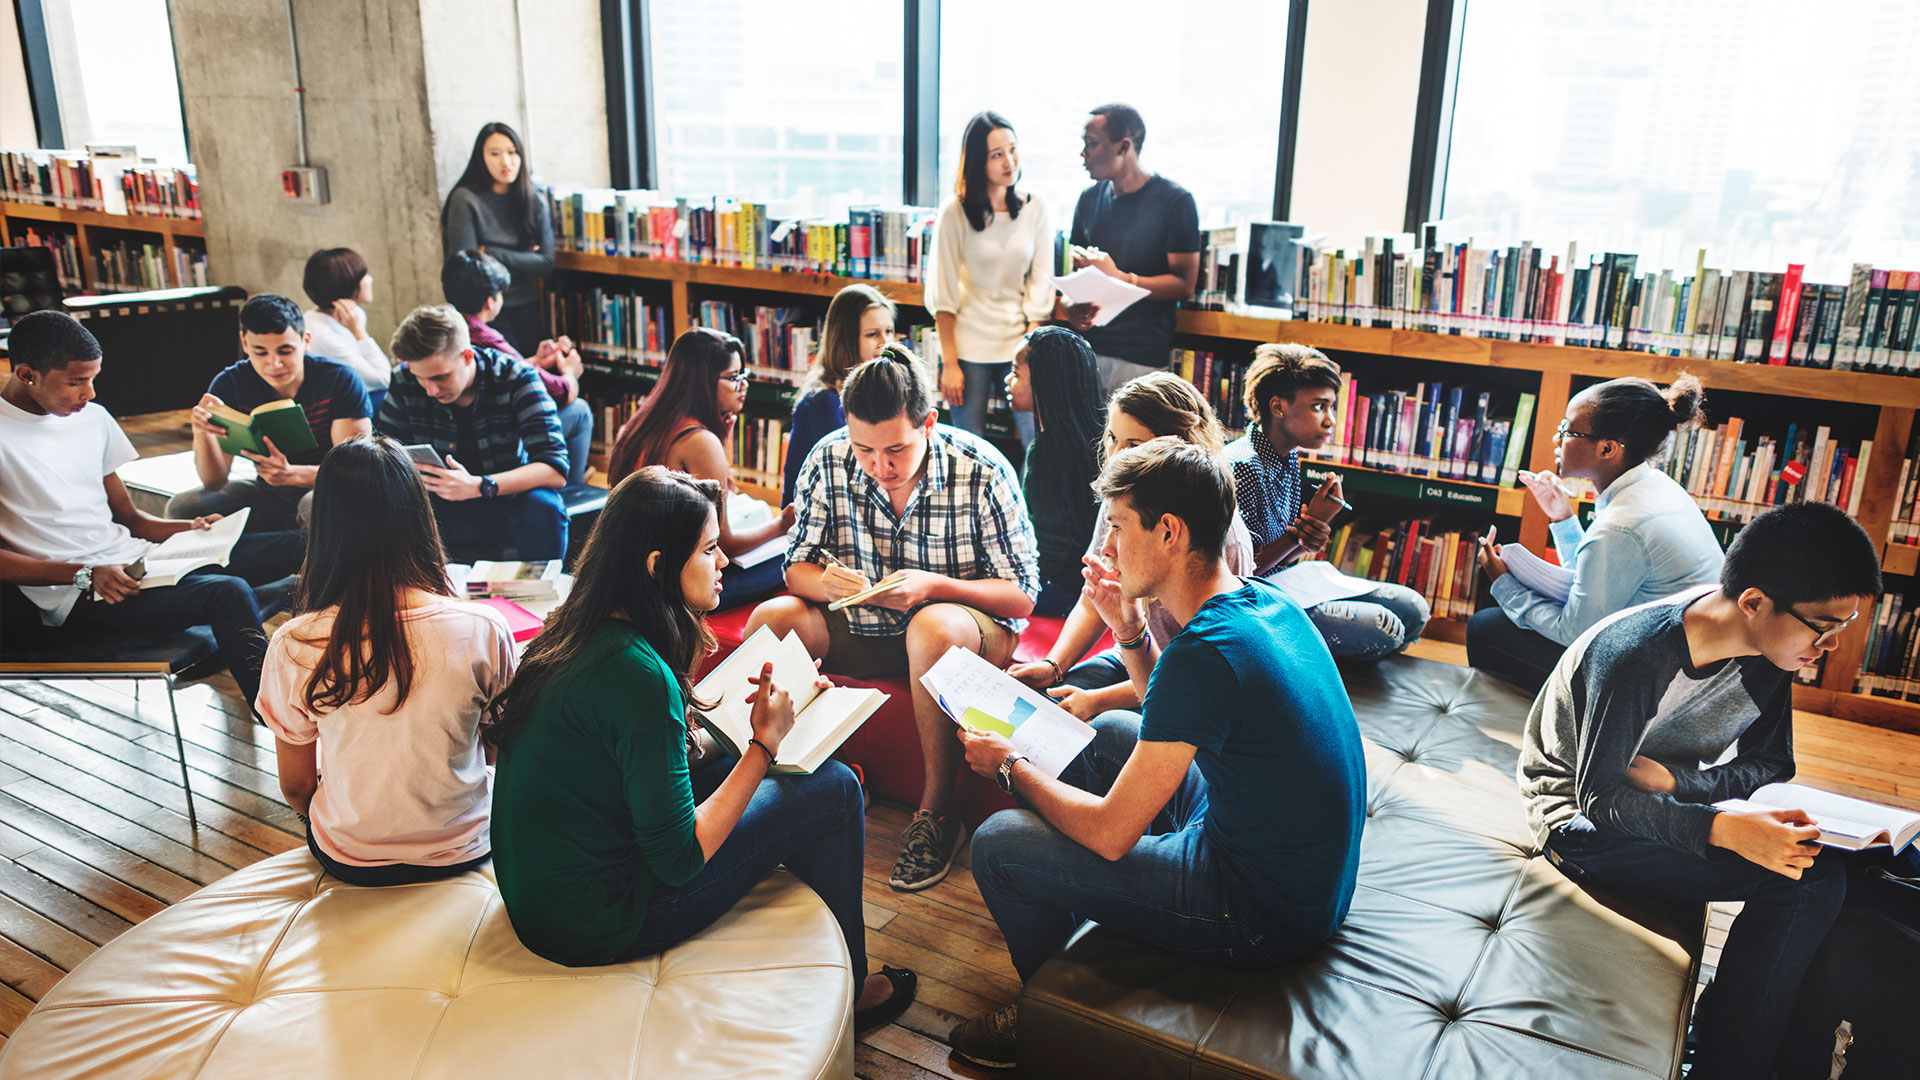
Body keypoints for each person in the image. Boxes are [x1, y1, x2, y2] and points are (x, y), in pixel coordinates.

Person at [946, 438, 1365, 1068]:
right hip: (1300, 878)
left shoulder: (1206, 652)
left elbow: (1114, 834)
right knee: (1113, 729)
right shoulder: (1259, 602)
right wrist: (1129, 630)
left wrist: (1009, 765)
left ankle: (1056, 1011)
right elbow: (1168, 701)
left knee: (1000, 842)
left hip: (1258, 911)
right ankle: (1094, 951)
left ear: (1169, 531)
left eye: (1116, 527)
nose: (1105, 547)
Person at [487, 465, 917, 1029]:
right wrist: (763, 745)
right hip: (602, 919)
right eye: (710, 549)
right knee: (835, 788)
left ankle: (812, 965)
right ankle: (851, 994)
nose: (725, 563)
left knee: (771, 769)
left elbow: (646, 762)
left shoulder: (569, 631)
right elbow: (678, 857)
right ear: (658, 566)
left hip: (540, 898)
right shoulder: (638, 673)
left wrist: (762, 726)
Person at [1518, 502, 1882, 1079]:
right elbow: (1601, 798)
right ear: (1756, 602)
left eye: (1844, 628)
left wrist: (1681, 782)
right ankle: (1727, 1063)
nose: (1831, 646)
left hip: (1664, 801)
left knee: (1855, 867)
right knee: (1804, 883)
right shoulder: (1637, 653)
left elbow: (1771, 762)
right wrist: (1722, 828)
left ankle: (1774, 1049)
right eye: (1824, 627)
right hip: (1577, 824)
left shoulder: (1767, 651)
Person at [746, 346, 1039, 891]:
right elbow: (797, 569)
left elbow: (1022, 595)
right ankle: (792, 779)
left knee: (930, 626)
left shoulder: (981, 467)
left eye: (896, 449)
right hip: (862, 626)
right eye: (864, 449)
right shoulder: (828, 456)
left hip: (961, 632)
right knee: (771, 618)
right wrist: (827, 582)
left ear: (929, 421)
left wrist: (931, 587)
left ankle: (936, 814)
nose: (880, 466)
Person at [0, 311, 304, 707]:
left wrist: (190, 529)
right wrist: (83, 574)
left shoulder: (92, 419)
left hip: (141, 562)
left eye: (93, 379)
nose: (89, 393)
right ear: (27, 374)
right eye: (76, 382)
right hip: (81, 594)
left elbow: (131, 519)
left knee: (303, 543)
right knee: (228, 593)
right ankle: (283, 721)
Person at [258, 435, 511, 886]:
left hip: (350, 855)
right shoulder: (484, 627)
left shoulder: (295, 642)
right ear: (420, 516)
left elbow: (296, 786)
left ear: (325, 525)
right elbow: (495, 748)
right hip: (465, 845)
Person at [1008, 372, 1254, 717]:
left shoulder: (1225, 540)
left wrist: (1097, 700)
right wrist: (1054, 666)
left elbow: (1198, 676)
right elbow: (1095, 598)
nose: (1117, 456)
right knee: (1046, 707)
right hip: (1133, 647)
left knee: (1099, 724)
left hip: (1187, 681)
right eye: (1111, 439)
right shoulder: (1124, 500)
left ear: (1175, 448)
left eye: (1134, 445)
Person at [1471, 374, 1723, 693]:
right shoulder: (1656, 486)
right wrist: (1562, 517)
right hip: (1684, 663)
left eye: (1567, 429)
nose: (1556, 438)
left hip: (1652, 685)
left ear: (1607, 449)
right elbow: (1593, 581)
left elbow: (1574, 632)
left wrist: (1504, 585)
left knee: (1486, 627)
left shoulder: (1621, 525)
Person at [1225, 344, 1429, 659]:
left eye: (1331, 407)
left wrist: (1310, 536)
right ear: (1278, 407)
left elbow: (1288, 553)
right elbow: (1238, 572)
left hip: (1290, 583)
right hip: (1253, 601)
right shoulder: (1243, 467)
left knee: (1413, 608)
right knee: (1383, 627)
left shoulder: (1287, 454)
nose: (1330, 421)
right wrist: (1301, 535)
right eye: (1319, 407)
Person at [606, 328, 797, 608]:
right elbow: (726, 545)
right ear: (704, 382)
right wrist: (781, 525)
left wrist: (721, 439)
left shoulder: (639, 423)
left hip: (629, 574)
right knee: (791, 561)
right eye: (734, 377)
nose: (744, 385)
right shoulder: (699, 441)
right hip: (672, 588)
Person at [375, 304, 568, 562]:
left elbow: (554, 469)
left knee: (545, 508)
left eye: (441, 377)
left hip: (504, 497)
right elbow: (384, 455)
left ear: (467, 356)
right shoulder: (403, 379)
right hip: (436, 505)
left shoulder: (517, 377)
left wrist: (481, 486)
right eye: (421, 378)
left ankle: (540, 594)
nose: (431, 390)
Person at [170, 294, 374, 533]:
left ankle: (298, 564)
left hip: (327, 488)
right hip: (267, 490)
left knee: (313, 505)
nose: (274, 364)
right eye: (260, 352)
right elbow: (214, 481)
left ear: (305, 341)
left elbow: (358, 471)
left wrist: (292, 474)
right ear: (244, 345)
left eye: (285, 351)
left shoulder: (339, 379)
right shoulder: (229, 384)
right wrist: (201, 432)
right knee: (184, 507)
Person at [925, 110, 1052, 446]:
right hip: (970, 348)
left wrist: (1030, 347)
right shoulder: (954, 212)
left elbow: (1041, 282)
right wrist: (949, 363)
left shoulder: (1035, 208)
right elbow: (943, 293)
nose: (1009, 161)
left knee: (1036, 443)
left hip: (1020, 343)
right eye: (997, 155)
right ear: (978, 161)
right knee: (969, 447)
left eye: (1013, 149)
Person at [1062, 104, 1200, 393]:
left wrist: (1121, 278)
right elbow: (1071, 282)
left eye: (1091, 143)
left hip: (1141, 358)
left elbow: (1184, 284)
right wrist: (1070, 308)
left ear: (1124, 146)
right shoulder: (1088, 200)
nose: (1083, 153)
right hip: (1087, 351)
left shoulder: (1175, 202)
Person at [442, 248, 592, 486]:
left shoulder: (445, 328)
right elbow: (559, 393)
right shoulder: (486, 337)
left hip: (458, 437)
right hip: (500, 439)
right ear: (491, 301)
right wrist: (570, 372)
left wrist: (533, 362)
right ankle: (571, 495)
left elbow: (495, 371)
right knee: (580, 411)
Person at [1006, 327, 1102, 616]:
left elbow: (1046, 550)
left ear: (1046, 383)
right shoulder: (1097, 434)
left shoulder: (1047, 452)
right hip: (1086, 583)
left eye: (1016, 373)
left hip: (1062, 591)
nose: (1007, 381)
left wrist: (1020, 586)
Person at [441, 122, 554, 353]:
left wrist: (492, 252)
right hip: (484, 309)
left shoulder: (534, 199)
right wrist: (523, 257)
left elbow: (546, 262)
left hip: (525, 302)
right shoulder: (465, 199)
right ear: (481, 158)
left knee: (538, 367)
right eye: (495, 153)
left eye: (512, 153)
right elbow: (468, 269)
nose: (506, 161)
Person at [784, 284, 895, 503]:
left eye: (889, 331)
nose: (886, 343)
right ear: (846, 340)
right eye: (872, 334)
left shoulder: (874, 390)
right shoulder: (823, 402)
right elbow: (851, 479)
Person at [300, 247, 392, 392]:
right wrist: (359, 333)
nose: (370, 279)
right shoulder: (321, 334)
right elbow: (384, 379)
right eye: (363, 275)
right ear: (348, 284)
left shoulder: (355, 315)